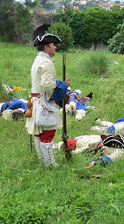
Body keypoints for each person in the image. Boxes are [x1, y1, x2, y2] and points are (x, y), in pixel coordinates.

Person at [25, 33, 70, 167]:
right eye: (53, 45)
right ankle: (50, 163)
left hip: (37, 100)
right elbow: (47, 85)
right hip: (44, 102)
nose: (55, 48)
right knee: (48, 133)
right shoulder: (46, 62)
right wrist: (64, 85)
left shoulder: (38, 59)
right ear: (46, 47)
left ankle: (42, 160)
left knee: (39, 132)